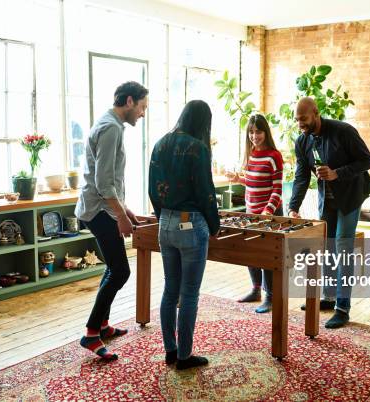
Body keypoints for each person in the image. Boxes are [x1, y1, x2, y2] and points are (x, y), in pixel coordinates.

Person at [75, 81, 148, 360]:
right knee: (120, 272)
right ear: (129, 101)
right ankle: (91, 333)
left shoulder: (110, 124)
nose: (142, 113)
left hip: (102, 208)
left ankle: (103, 326)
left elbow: (109, 180)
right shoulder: (111, 129)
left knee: (113, 269)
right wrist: (121, 218)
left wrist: (125, 209)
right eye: (141, 107)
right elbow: (104, 182)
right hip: (99, 211)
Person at [289, 97, 370, 329]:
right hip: (327, 200)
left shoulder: (343, 131)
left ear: (316, 113)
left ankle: (342, 307)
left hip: (350, 197)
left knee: (342, 246)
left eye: (304, 119)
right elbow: (301, 177)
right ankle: (328, 298)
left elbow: (367, 160)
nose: (300, 124)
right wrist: (293, 206)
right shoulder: (302, 141)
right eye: (297, 120)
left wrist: (338, 173)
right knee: (327, 246)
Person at [149, 100, 220, 370]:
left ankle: (170, 350)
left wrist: (163, 217)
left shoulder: (160, 143)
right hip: (191, 224)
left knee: (170, 290)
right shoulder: (197, 148)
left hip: (165, 222)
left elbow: (152, 188)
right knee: (189, 293)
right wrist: (214, 226)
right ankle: (184, 356)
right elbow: (206, 193)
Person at [226, 114, 283, 314]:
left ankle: (271, 296)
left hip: (269, 214)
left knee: (267, 256)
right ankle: (256, 290)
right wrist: (238, 179)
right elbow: (253, 183)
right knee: (251, 253)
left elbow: (277, 189)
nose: (254, 136)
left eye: (258, 131)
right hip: (252, 214)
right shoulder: (251, 155)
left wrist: (268, 210)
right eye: (251, 132)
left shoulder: (274, 156)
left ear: (266, 132)